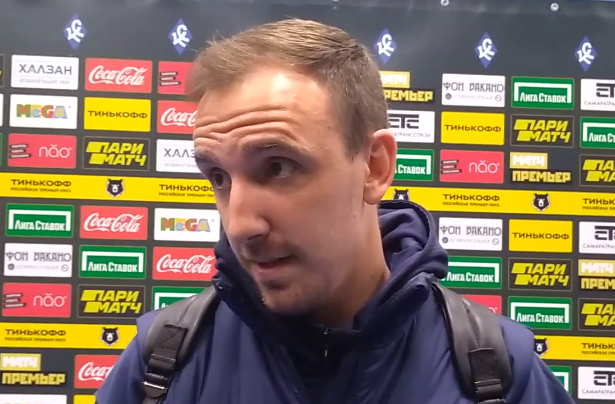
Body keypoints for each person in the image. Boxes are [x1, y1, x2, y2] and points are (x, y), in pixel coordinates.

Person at [95, 18, 575, 404]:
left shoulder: (498, 371)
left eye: (278, 167)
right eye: (218, 177)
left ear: (374, 167)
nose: (239, 225)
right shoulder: (159, 363)